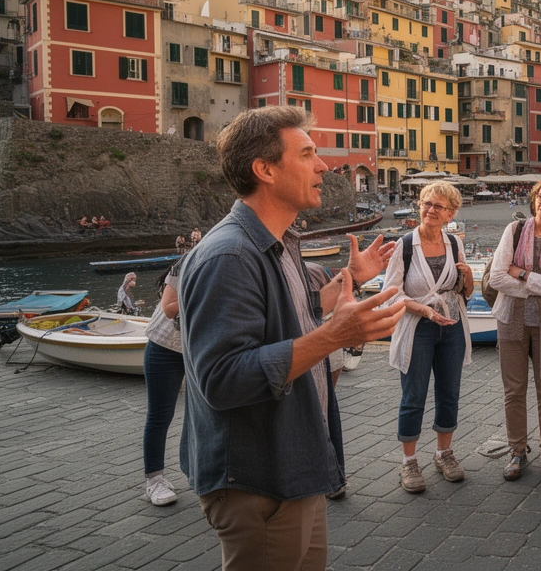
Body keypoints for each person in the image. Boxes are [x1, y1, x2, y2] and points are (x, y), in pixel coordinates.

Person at [179, 106, 402, 571]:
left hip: (293, 467)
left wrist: (349, 281)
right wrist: (332, 337)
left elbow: (292, 307)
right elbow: (220, 379)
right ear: (265, 170)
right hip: (258, 481)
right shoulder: (229, 256)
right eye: (307, 154)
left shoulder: (279, 243)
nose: (323, 166)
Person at [383, 181, 476, 494]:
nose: (431, 210)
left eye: (439, 206)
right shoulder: (405, 245)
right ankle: (409, 461)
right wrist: (423, 312)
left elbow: (465, 292)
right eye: (427, 203)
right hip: (417, 327)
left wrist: (470, 277)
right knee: (414, 397)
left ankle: (444, 454)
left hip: (451, 326)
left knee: (449, 392)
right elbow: (390, 294)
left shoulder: (454, 244)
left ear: (450, 213)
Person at [488, 174, 541, 481]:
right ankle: (517, 451)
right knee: (514, 390)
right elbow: (496, 278)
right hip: (510, 320)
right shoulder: (513, 230)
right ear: (534, 198)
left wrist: (523, 274)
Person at [143, 262, 185, 506]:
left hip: (202, 347)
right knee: (160, 415)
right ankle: (154, 480)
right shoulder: (188, 262)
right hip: (165, 346)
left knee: (209, 411)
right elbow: (169, 308)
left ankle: (207, 473)